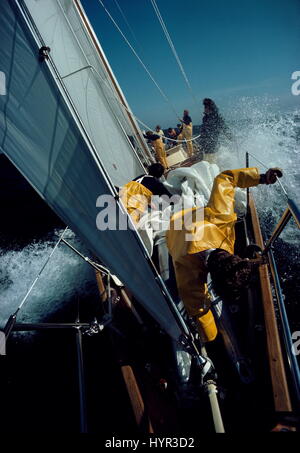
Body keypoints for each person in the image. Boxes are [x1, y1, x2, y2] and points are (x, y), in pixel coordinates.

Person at [166, 166, 283, 343]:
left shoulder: (221, 216)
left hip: (183, 223)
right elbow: (196, 308)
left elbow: (226, 178)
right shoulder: (184, 267)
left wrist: (262, 178)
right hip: (172, 232)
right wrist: (212, 339)